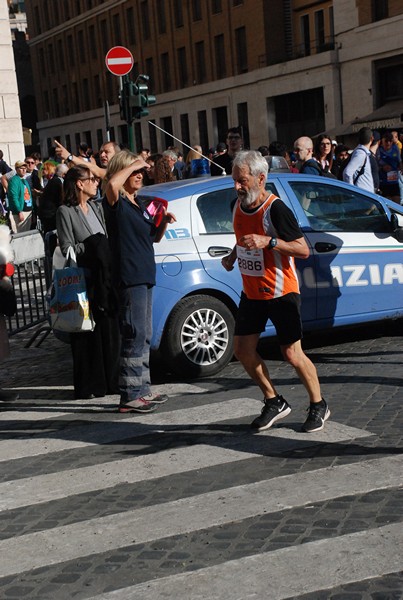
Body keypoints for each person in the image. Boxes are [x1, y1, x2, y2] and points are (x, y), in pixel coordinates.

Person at [221, 150, 329, 433]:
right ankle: (273, 400)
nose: (237, 186)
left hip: (282, 292)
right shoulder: (237, 205)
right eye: (234, 180)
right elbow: (244, 239)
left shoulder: (276, 209)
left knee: (292, 354)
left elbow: (303, 249)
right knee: (243, 350)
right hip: (252, 292)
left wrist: (269, 242)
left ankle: (318, 404)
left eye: (242, 181)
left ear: (261, 178)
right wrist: (234, 255)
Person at [104, 150, 176, 413]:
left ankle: (142, 389)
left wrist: (164, 223)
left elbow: (153, 238)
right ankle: (130, 394)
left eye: (140, 171)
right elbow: (112, 183)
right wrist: (135, 162)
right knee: (134, 334)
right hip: (129, 275)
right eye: (134, 172)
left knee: (143, 335)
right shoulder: (115, 202)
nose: (140, 175)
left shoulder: (138, 203)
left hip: (144, 274)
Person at [56, 166, 120, 400]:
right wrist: (93, 245)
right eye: (91, 179)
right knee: (86, 333)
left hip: (104, 277)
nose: (95, 182)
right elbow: (67, 247)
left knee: (109, 330)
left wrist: (102, 244)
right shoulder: (65, 211)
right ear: (79, 184)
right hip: (84, 278)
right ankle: (89, 384)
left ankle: (111, 380)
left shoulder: (95, 206)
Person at [38, 162, 68, 234]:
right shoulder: (57, 181)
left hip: (48, 212)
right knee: (51, 235)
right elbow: (60, 198)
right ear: (63, 174)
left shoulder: (53, 180)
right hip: (50, 214)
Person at [343, 127, 374, 192]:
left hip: (365, 194)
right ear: (372, 138)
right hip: (363, 195)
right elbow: (347, 173)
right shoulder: (361, 154)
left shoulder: (362, 153)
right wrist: (352, 191)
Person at [7, 161, 34, 233]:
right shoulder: (14, 180)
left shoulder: (24, 180)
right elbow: (14, 197)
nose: (24, 170)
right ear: (16, 169)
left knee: (27, 232)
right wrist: (19, 211)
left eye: (25, 168)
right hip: (21, 211)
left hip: (28, 210)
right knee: (22, 233)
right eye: (21, 168)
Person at [377, 131, 403, 203]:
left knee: (397, 202)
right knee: (387, 202)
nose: (388, 143)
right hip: (384, 182)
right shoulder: (379, 150)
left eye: (390, 141)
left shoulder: (395, 148)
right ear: (382, 141)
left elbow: (399, 160)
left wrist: (401, 167)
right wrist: (382, 168)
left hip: (394, 181)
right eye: (386, 141)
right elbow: (375, 166)